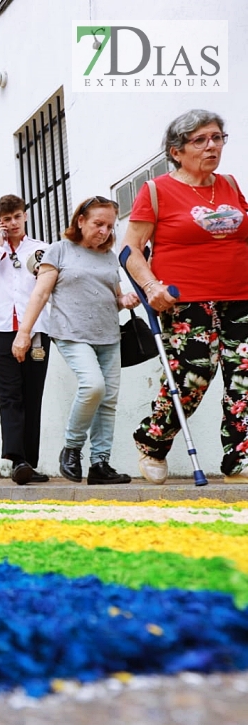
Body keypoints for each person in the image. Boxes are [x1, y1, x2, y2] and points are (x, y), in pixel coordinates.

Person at [124, 110, 248, 485]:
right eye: (200, 140)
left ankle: (239, 459)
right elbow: (130, 250)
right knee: (194, 374)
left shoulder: (229, 183)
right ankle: (152, 441)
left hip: (239, 295)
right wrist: (150, 286)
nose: (212, 146)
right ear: (176, 151)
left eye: (217, 137)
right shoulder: (157, 191)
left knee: (245, 376)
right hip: (185, 300)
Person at [13, 196, 139, 485]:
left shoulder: (108, 256)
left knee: (108, 400)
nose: (105, 231)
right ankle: (71, 448)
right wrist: (24, 333)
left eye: (109, 226)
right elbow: (41, 294)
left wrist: (125, 299)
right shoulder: (59, 251)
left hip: (108, 334)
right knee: (93, 386)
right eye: (98, 224)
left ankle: (100, 464)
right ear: (80, 221)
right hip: (70, 333)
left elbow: (113, 295)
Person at [0, 194, 53, 485]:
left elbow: (48, 287)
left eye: (17, 217)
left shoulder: (42, 250)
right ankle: (16, 460)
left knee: (33, 395)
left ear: (25, 216)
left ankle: (28, 463)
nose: (13, 223)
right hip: (0, 332)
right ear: (0, 222)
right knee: (10, 395)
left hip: (36, 331)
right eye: (6, 219)